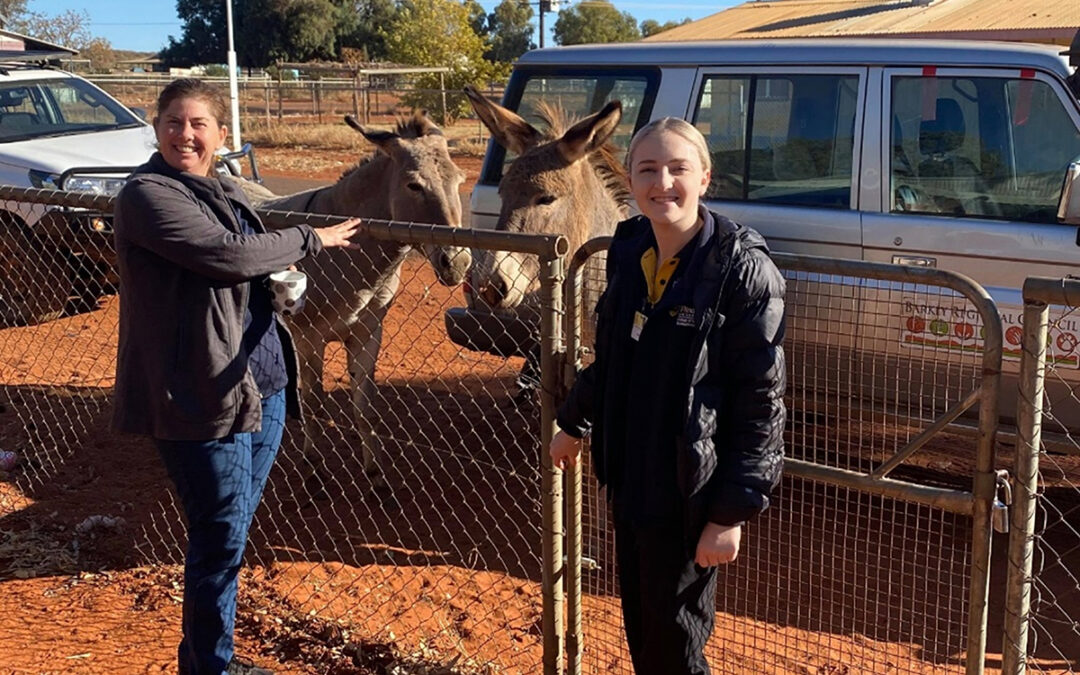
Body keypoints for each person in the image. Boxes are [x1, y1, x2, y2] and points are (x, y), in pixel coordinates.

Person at [112, 78, 362, 675]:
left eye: (199, 124)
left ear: (223, 135)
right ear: (157, 128)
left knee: (230, 533)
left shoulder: (226, 191)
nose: (186, 135)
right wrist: (308, 239)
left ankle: (208, 658)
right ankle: (208, 667)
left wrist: (282, 287)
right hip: (199, 394)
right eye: (174, 122)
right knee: (219, 538)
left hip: (261, 388)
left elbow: (245, 266)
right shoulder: (146, 195)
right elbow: (224, 255)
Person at [550, 117, 786, 674]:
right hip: (631, 478)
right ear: (630, 181)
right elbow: (612, 360)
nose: (663, 183)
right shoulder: (630, 251)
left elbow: (762, 402)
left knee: (677, 645)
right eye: (648, 169)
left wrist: (729, 515)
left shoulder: (742, 269)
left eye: (678, 168)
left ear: (705, 177)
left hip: (688, 495)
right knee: (643, 629)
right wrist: (574, 421)